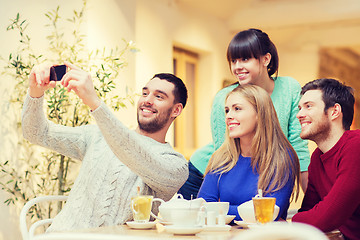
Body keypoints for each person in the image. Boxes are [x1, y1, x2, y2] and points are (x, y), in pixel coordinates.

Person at [21, 62, 189, 231]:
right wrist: (35, 92)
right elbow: (36, 132)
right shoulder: (97, 136)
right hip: (60, 235)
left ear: (176, 110)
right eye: (145, 93)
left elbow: (132, 153)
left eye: (159, 97)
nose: (147, 100)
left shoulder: (175, 166)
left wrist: (94, 102)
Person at [179, 28, 310, 200]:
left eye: (245, 59)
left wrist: (312, 203)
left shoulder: (289, 88)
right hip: (206, 175)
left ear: (266, 59)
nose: (237, 67)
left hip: (254, 173)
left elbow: (297, 148)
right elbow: (225, 152)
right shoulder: (224, 98)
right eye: (234, 61)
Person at [197, 84, 300, 221]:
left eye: (237, 109)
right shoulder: (221, 157)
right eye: (227, 110)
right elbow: (203, 207)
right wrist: (246, 211)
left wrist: (220, 210)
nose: (228, 116)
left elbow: (267, 213)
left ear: (259, 114)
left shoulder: (281, 157)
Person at [292, 78, 360, 240]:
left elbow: (326, 217)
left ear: (334, 111)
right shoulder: (318, 157)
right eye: (300, 108)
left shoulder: (356, 145)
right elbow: (308, 210)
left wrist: (290, 221)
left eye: (308, 106)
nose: (299, 115)